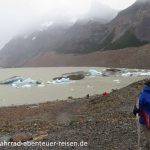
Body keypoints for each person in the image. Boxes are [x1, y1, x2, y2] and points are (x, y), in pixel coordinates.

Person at [133, 80, 150, 150]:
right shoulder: (142, 95)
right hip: (147, 120)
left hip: (146, 120)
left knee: (148, 136)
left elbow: (137, 108)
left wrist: (135, 111)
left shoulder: (142, 95)